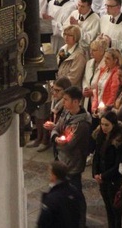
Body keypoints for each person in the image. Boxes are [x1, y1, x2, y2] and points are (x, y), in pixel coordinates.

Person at [51, 86, 92, 224]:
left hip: (73, 164)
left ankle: (80, 222)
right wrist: (56, 137)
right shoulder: (67, 113)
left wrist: (56, 141)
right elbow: (56, 128)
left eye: (66, 99)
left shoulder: (81, 124)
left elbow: (68, 146)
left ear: (76, 102)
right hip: (62, 161)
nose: (63, 102)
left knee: (76, 195)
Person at [92, 111, 122, 228]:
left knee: (116, 210)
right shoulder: (100, 135)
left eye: (107, 125)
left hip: (113, 179)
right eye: (102, 124)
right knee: (108, 207)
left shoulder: (119, 140)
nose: (103, 127)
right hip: (102, 178)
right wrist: (95, 173)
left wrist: (103, 176)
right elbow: (97, 155)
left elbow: (118, 164)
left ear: (114, 124)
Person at [37, 161, 85, 228]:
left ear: (54, 176)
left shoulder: (51, 199)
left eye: (50, 173)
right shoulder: (74, 191)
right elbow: (78, 214)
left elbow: (43, 223)